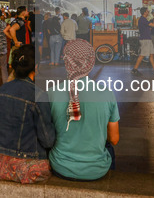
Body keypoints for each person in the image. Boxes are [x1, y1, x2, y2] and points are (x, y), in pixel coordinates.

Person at [48, 39, 120, 181]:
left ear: (66, 62)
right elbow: (114, 139)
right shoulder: (106, 93)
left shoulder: (52, 92)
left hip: (60, 166)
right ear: (90, 63)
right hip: (97, 170)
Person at [0, 45, 55, 183]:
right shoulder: (39, 95)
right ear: (36, 68)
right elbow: (48, 140)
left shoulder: (3, 89)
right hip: (26, 168)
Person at [132, 7, 154, 75]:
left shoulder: (144, 20)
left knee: (151, 55)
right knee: (142, 55)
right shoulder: (143, 19)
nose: (148, 12)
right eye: (147, 11)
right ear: (144, 12)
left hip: (147, 39)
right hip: (145, 39)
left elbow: (147, 28)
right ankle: (134, 69)